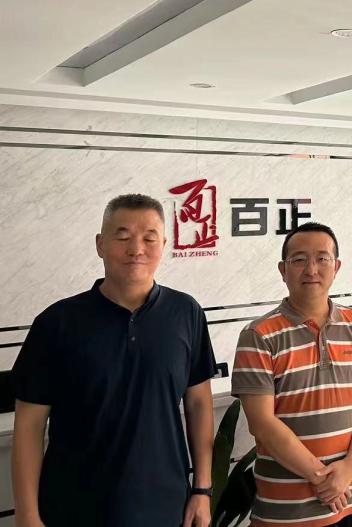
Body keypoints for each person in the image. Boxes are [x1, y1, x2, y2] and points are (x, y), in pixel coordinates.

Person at [11, 193, 217, 527]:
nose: (136, 249)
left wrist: (202, 489)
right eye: (122, 237)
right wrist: (27, 514)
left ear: (164, 245)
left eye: (149, 238)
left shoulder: (186, 313)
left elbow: (199, 405)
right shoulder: (57, 322)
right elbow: (29, 424)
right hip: (72, 509)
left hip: (165, 507)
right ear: (100, 244)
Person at [233, 221, 352, 527]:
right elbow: (261, 423)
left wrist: (350, 466)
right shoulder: (258, 335)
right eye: (299, 259)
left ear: (336, 267)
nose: (312, 269)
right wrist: (322, 478)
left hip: (350, 496)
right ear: (282, 269)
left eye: (322, 259)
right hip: (288, 509)